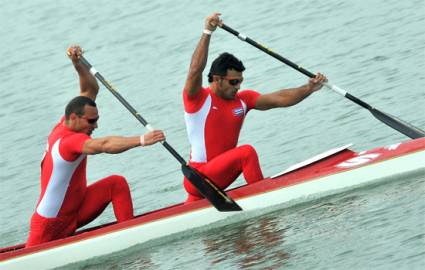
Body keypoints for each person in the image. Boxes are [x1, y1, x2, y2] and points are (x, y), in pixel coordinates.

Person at [26, 45, 165, 247]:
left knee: (116, 184)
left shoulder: (68, 121)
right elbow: (104, 144)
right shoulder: (69, 141)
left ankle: (132, 238)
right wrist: (142, 140)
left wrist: (77, 64)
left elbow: (90, 90)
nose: (96, 125)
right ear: (74, 118)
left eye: (96, 120)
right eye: (91, 122)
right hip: (49, 225)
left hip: (76, 210)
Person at [182, 13, 327, 203]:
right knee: (246, 152)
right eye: (234, 82)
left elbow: (279, 99)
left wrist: (308, 88)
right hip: (198, 178)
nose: (238, 87)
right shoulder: (198, 99)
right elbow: (195, 70)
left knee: (187, 215)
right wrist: (207, 31)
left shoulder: (243, 100)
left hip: (214, 181)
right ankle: (266, 200)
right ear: (217, 79)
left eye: (240, 82)